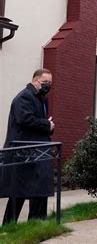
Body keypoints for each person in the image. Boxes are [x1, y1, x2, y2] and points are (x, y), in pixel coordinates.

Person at [0, 69, 55, 225]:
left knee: (38, 191)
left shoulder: (41, 99)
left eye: (50, 83)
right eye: (45, 83)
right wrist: (47, 124)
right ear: (35, 81)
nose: (48, 86)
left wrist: (49, 126)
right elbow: (25, 119)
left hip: (35, 152)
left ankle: (35, 225)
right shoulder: (25, 97)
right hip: (23, 153)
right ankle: (9, 227)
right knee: (18, 194)